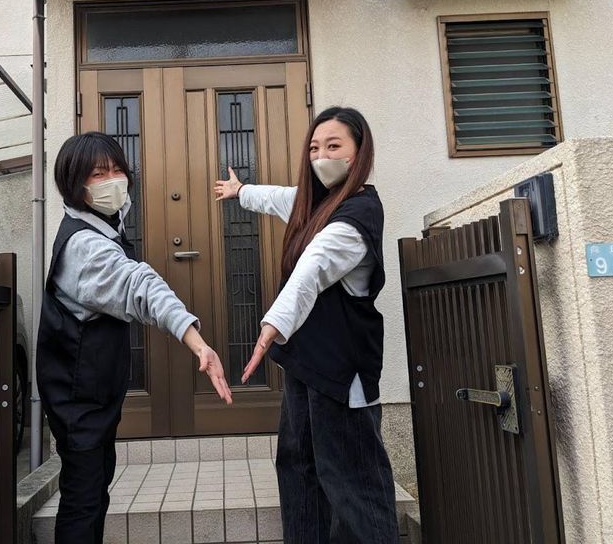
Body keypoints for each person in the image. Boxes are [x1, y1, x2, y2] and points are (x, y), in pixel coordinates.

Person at [38, 132, 233, 544]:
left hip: (89, 393)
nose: (113, 180)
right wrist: (197, 342)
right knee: (84, 498)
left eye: (117, 170)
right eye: (98, 174)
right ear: (75, 184)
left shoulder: (103, 223)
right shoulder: (86, 247)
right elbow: (140, 286)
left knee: (93, 487)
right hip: (78, 397)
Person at [215, 107, 399, 544]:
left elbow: (312, 268)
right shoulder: (317, 202)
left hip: (341, 372)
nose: (321, 156)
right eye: (314, 147)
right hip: (305, 366)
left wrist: (271, 326)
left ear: (359, 153)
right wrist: (241, 191)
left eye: (334, 146)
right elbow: (281, 198)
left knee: (352, 481)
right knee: (298, 469)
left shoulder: (358, 215)